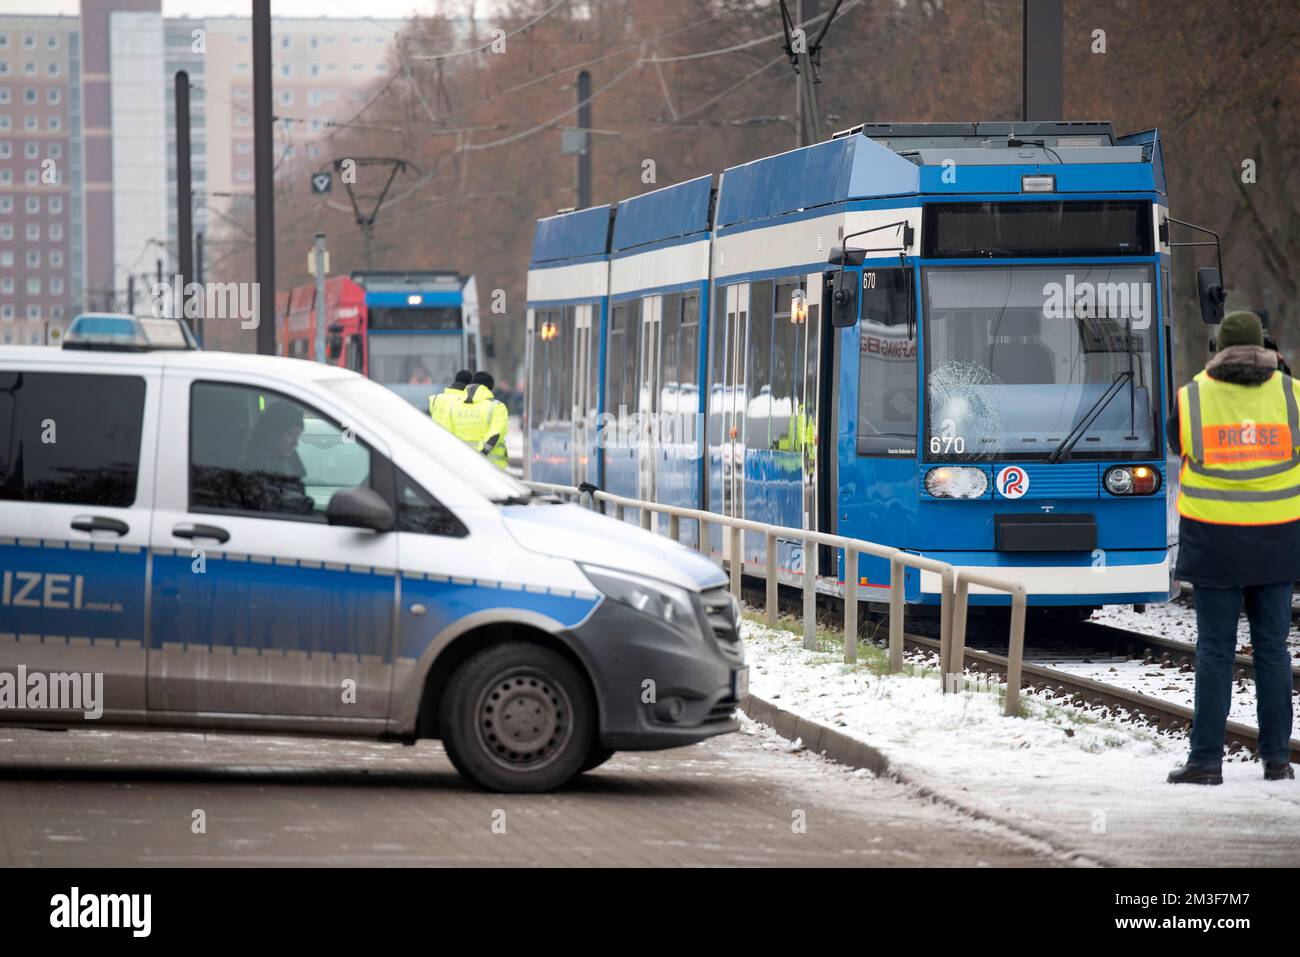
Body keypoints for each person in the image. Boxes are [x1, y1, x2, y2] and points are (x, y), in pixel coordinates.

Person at [1166, 310, 1298, 784]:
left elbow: (1177, 443)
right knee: (1273, 651)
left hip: (1215, 542)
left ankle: (1205, 762)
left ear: (1216, 348)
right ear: (1268, 346)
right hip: (1277, 543)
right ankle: (1278, 761)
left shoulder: (1193, 396)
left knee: (1215, 651)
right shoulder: (1292, 393)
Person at [239, 399, 314, 514]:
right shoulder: (253, 470)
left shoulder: (289, 460)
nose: (295, 443)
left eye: (297, 436)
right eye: (290, 435)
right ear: (270, 434)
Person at [450, 370, 509, 469]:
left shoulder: (455, 405)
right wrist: (479, 455)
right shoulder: (497, 407)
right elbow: (495, 435)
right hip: (491, 467)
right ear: (490, 388)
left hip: (461, 465)